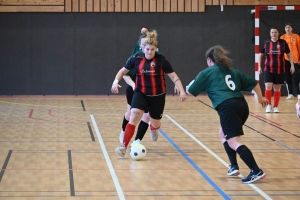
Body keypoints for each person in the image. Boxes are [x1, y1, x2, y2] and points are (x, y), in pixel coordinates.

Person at [187, 45, 269, 184]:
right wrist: (261, 98)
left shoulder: (206, 73)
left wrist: (187, 87)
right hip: (242, 106)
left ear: (209, 59)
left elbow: (191, 91)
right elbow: (254, 83)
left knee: (234, 142)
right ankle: (234, 166)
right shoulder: (233, 71)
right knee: (223, 133)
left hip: (227, 107)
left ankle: (256, 170)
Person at [111, 30, 187, 157]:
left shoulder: (161, 60)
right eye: (147, 49)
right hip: (141, 93)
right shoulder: (136, 58)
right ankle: (123, 146)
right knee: (134, 118)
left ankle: (153, 128)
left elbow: (174, 77)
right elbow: (123, 71)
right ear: (143, 48)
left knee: (155, 122)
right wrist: (115, 82)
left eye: (152, 49)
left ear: (156, 48)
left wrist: (182, 91)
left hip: (157, 96)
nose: (149, 52)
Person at [119, 32, 158, 145]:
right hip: (135, 89)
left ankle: (137, 141)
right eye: (143, 44)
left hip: (150, 91)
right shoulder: (134, 58)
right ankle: (123, 131)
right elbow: (125, 74)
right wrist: (133, 85)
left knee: (147, 115)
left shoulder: (156, 57)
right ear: (140, 44)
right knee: (131, 114)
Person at [258, 27, 295, 113]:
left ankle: (275, 107)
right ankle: (268, 105)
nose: (274, 34)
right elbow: (260, 55)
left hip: (280, 69)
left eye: (275, 32)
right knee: (268, 87)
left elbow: (289, 54)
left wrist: (292, 65)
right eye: (272, 32)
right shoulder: (266, 43)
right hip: (268, 68)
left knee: (277, 89)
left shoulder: (283, 42)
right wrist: (259, 67)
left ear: (278, 33)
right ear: (270, 34)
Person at [280, 23, 300, 100]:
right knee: (287, 77)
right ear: (285, 29)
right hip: (285, 60)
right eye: (286, 27)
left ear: (292, 28)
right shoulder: (282, 37)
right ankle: (290, 93)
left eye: (289, 27)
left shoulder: (296, 36)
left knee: (296, 77)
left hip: (295, 60)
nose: (288, 29)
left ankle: (298, 93)